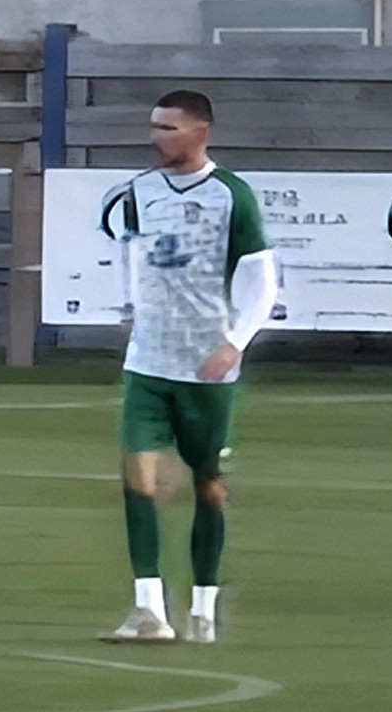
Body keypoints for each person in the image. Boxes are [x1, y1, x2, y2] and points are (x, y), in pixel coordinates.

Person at [101, 87, 277, 645]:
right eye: (154, 127)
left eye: (168, 128)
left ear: (201, 131)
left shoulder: (232, 196)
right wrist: (129, 308)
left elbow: (262, 281)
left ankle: (204, 604)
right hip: (148, 362)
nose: (156, 137)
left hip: (206, 366)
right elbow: (130, 253)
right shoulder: (139, 192)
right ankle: (148, 609)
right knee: (137, 479)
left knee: (210, 487)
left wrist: (235, 343)